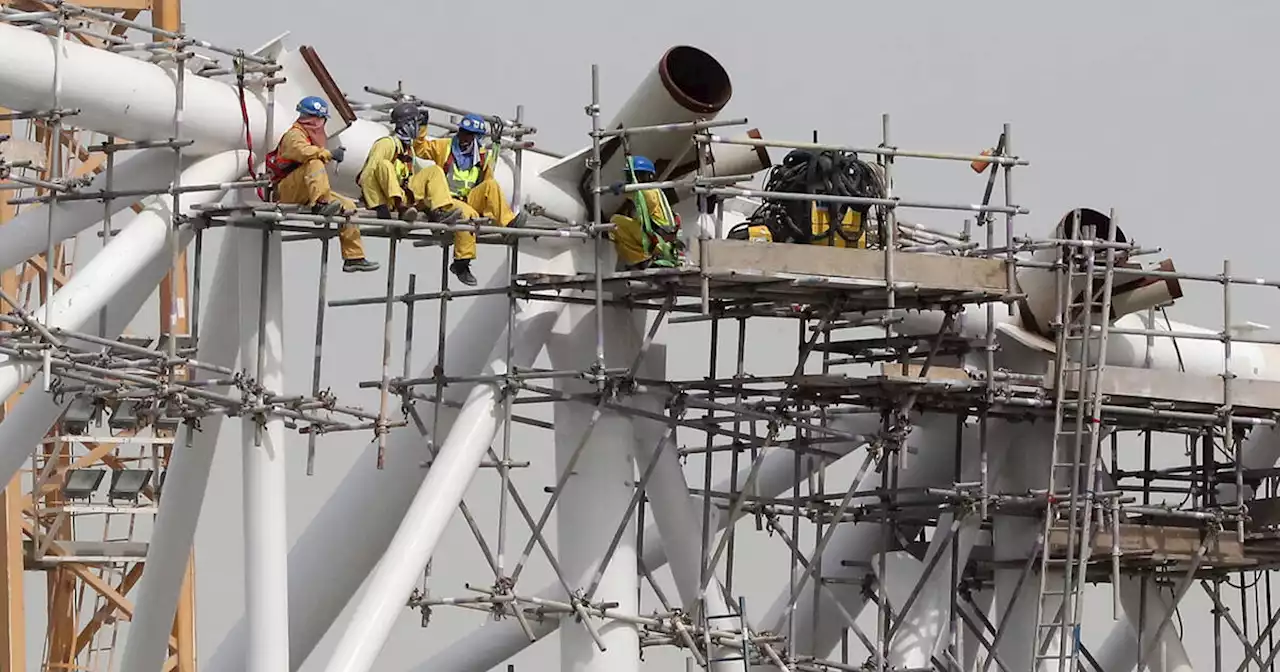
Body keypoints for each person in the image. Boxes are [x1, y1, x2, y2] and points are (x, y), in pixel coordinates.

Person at [267, 96, 378, 272]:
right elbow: (304, 153)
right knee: (314, 162)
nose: (322, 124)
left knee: (348, 206)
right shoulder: (294, 135)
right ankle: (320, 203)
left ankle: (353, 257)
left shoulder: (307, 136)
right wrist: (328, 154)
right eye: (321, 119)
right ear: (314, 118)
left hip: (304, 189)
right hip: (288, 189)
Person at [415, 113, 526, 286]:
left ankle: (508, 225)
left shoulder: (481, 155)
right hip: (444, 199)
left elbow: (486, 182)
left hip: (467, 198)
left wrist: (495, 149)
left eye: (469, 134)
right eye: (463, 132)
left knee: (491, 185)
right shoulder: (444, 147)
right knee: (467, 214)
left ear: (477, 137)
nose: (464, 137)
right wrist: (422, 126)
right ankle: (461, 264)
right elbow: (420, 148)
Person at [608, 155, 684, 271]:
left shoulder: (650, 193)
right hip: (663, 241)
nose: (631, 180)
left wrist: (624, 188)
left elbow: (639, 195)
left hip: (659, 241)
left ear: (647, 176)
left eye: (634, 176)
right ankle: (645, 258)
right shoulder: (655, 192)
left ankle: (642, 259)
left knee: (616, 222)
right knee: (632, 223)